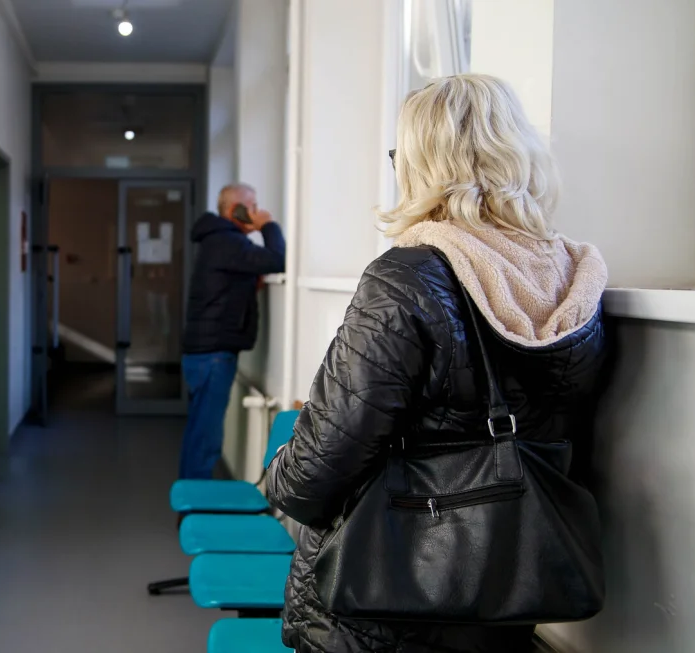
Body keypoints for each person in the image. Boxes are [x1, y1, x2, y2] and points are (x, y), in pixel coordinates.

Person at [264, 74, 610, 652]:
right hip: (503, 594)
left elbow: (315, 472)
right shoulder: (571, 281)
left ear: (422, 164)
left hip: (382, 604)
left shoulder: (407, 278)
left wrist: (276, 469)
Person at [178, 183, 286, 480]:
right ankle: (196, 500)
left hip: (205, 353)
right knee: (206, 438)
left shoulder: (219, 240)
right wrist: (268, 225)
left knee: (198, 433)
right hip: (213, 355)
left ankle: (189, 496)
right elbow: (277, 259)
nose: (257, 211)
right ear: (235, 209)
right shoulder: (226, 241)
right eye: (252, 207)